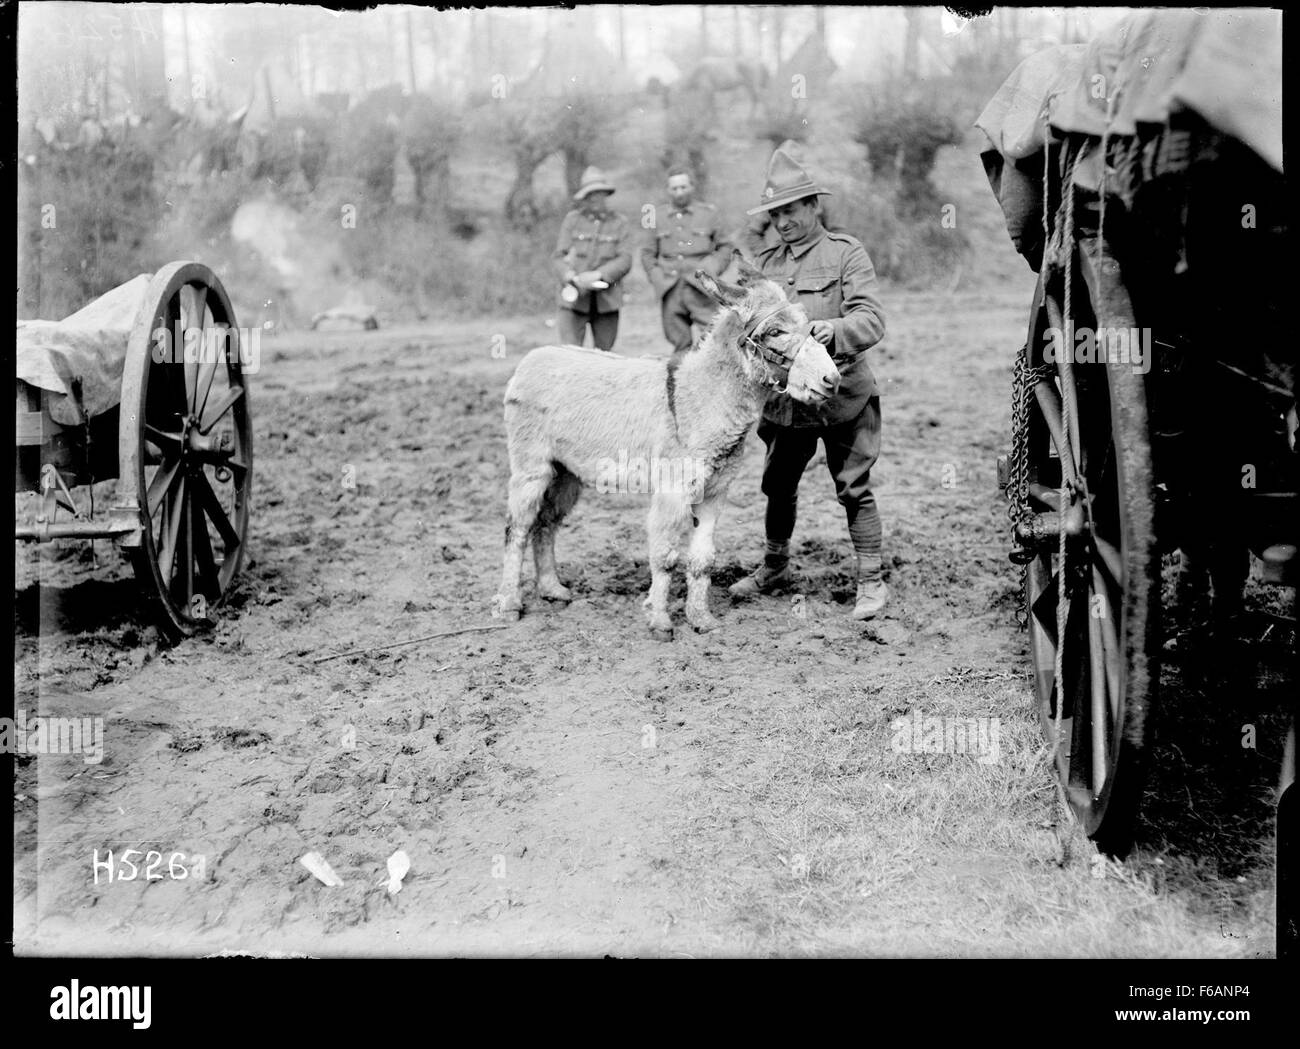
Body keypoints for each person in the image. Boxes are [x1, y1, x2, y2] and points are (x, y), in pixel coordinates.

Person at [728, 147, 890, 620]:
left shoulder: (846, 252)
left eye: (791, 210)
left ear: (814, 206)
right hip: (788, 402)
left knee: (853, 487)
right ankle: (775, 566)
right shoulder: (766, 263)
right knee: (778, 485)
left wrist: (834, 331)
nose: (783, 221)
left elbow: (873, 319)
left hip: (844, 395)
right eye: (775, 213)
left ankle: (871, 582)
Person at [639, 166, 735, 354]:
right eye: (674, 188)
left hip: (701, 287)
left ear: (692, 187)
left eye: (683, 187)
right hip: (670, 287)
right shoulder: (655, 216)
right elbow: (647, 253)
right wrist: (656, 276)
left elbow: (726, 247)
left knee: (715, 337)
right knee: (678, 344)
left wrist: (712, 268)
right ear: (667, 190)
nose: (679, 192)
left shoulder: (709, 213)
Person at [553, 167, 632, 351]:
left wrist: (598, 275)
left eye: (599, 193)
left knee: (603, 358)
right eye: (590, 195)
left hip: (607, 300)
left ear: (606, 194)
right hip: (574, 299)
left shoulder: (619, 223)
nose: (595, 198)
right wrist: (571, 277)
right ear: (584, 198)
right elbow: (559, 257)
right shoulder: (572, 220)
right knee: (570, 355)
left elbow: (625, 260)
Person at [734, 139, 845, 259]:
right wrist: (767, 258)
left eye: (789, 211)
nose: (782, 223)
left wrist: (826, 259)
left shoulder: (823, 198)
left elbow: (838, 232)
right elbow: (753, 232)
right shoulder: (776, 201)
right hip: (786, 259)